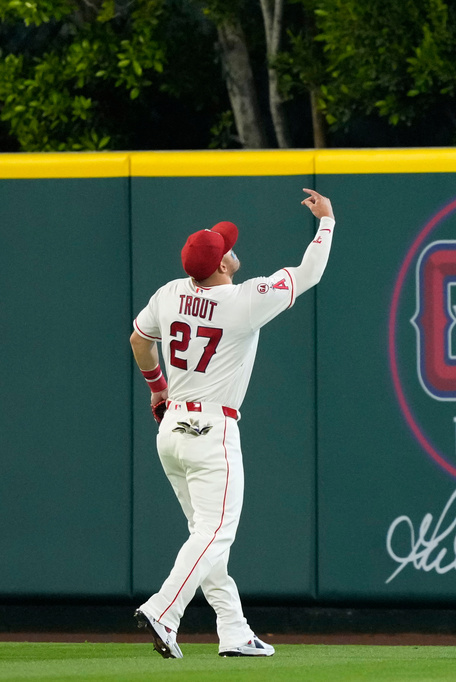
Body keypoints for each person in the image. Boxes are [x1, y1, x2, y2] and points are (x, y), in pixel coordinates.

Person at [130, 188, 336, 658]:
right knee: (214, 532)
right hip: (210, 432)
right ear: (221, 265)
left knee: (205, 536)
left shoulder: (169, 294)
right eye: (225, 246)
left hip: (172, 431)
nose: (231, 247)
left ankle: (234, 629)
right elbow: (310, 272)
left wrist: (157, 388)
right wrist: (326, 222)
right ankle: (165, 610)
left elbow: (139, 341)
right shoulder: (244, 301)